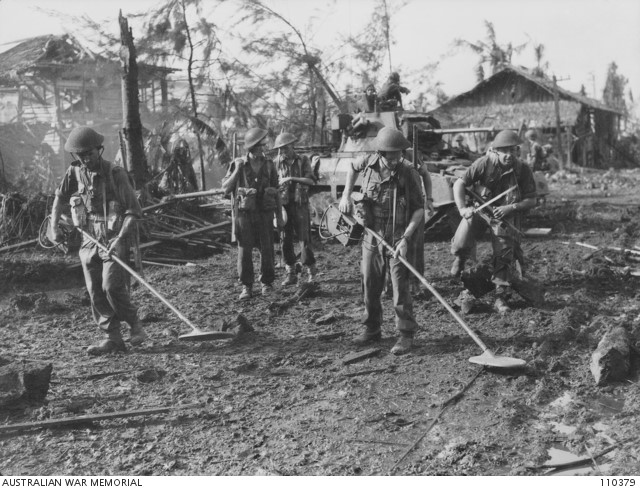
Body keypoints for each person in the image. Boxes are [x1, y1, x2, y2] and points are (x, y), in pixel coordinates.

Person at [49, 126, 146, 355]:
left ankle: (135, 325)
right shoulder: (74, 172)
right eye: (81, 156)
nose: (86, 159)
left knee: (111, 286)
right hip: (88, 238)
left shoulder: (115, 173)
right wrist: (53, 228)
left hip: (114, 236)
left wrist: (120, 238)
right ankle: (112, 337)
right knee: (94, 291)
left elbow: (134, 211)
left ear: (98, 150)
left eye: (89, 154)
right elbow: (59, 197)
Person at [339, 127, 425, 355]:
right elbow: (351, 167)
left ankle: (406, 335)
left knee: (399, 287)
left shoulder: (409, 173)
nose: (396, 158)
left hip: (398, 237)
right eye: (392, 154)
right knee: (370, 282)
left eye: (399, 154)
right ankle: (372, 329)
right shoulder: (367, 162)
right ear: (380, 152)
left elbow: (419, 210)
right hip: (372, 235)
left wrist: (406, 238)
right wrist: (346, 195)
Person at [449, 129, 537, 313]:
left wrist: (511, 208)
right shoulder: (483, 163)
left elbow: (531, 199)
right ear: (494, 151)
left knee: (504, 253)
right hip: (481, 211)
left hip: (505, 215)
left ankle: (500, 296)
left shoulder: (523, 169)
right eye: (504, 151)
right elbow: (459, 184)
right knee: (461, 238)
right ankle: (460, 258)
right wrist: (463, 208)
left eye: (513, 150)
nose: (509, 155)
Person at [222, 128, 283, 300]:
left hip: (265, 214)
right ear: (251, 147)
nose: (262, 149)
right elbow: (225, 189)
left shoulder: (270, 165)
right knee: (245, 251)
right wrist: (236, 170)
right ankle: (247, 286)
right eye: (259, 146)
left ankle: (267, 284)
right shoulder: (238, 164)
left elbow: (276, 191)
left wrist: (279, 216)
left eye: (263, 145)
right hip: (244, 215)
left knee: (268, 249)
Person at [273, 132, 318, 285]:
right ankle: (290, 273)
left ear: (292, 146)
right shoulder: (277, 162)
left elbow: (311, 181)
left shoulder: (303, 160)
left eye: (285, 148)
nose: (282, 152)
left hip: (300, 206)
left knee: (304, 240)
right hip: (284, 206)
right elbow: (273, 183)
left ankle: (311, 273)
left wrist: (291, 178)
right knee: (285, 240)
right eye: (280, 149)